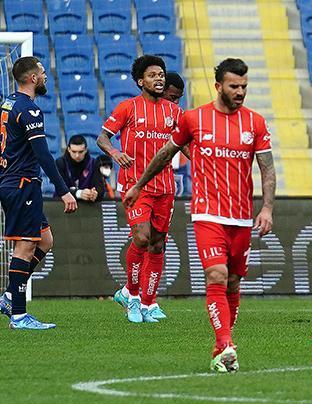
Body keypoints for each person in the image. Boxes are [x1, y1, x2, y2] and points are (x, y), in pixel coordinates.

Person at [124, 58, 276, 372]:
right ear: (218, 86)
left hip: (241, 217)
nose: (240, 92)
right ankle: (226, 344)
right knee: (217, 276)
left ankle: (222, 343)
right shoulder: (194, 119)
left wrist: (267, 208)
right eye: (234, 86)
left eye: (244, 86)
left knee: (233, 282)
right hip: (207, 214)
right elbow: (165, 153)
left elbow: (268, 169)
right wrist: (139, 185)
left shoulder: (256, 123)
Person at [97, 55, 183, 323]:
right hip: (135, 186)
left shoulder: (174, 112)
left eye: (161, 74)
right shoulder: (127, 108)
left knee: (158, 245)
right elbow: (102, 137)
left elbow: (187, 145)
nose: (158, 78)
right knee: (142, 237)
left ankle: (148, 303)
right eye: (152, 75)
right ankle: (132, 295)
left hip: (166, 187)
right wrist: (114, 152)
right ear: (140, 81)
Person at [0, 56, 78, 328]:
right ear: (33, 78)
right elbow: (43, 154)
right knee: (25, 246)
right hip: (22, 183)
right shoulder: (30, 110)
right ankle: (19, 316)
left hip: (11, 181)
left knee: (45, 240)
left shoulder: (8, 103)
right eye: (42, 73)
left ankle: (10, 295)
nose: (45, 76)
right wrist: (64, 190)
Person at [55, 134, 105, 202]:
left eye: (80, 152)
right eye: (74, 151)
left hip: (88, 205)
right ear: (69, 149)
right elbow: (59, 189)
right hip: (62, 205)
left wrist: (95, 194)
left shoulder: (94, 163)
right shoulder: (59, 163)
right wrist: (78, 193)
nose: (77, 155)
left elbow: (100, 189)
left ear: (86, 150)